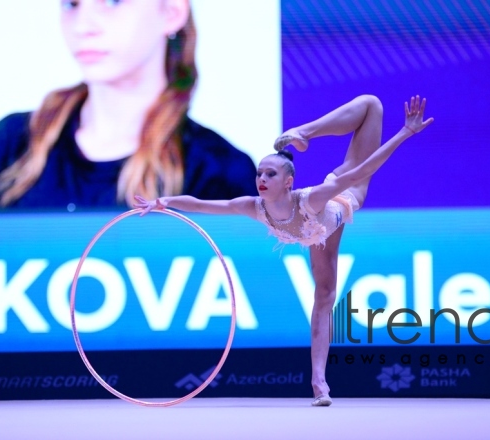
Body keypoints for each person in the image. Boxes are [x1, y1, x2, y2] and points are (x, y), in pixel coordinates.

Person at [134, 94, 434, 406]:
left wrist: (405, 133)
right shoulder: (254, 206)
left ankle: (305, 131)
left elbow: (359, 174)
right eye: (259, 173)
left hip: (345, 195)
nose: (261, 179)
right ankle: (319, 382)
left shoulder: (312, 199)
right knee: (324, 298)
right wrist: (164, 202)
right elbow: (203, 205)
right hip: (319, 235)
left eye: (270, 174)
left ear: (289, 182)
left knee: (372, 105)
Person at [0, 0, 257, 212]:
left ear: (171, 12)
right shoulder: (14, 143)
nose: (83, 26)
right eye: (71, 4)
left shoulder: (218, 171)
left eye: (112, 2)